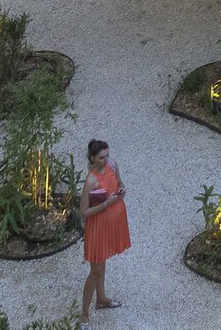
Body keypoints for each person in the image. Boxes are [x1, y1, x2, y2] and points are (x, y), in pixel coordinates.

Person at [79, 138, 131, 326]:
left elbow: (119, 184)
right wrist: (106, 204)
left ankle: (101, 299)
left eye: (107, 155)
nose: (106, 159)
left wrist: (122, 191)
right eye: (102, 157)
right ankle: (84, 314)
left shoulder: (112, 165)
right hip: (98, 227)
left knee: (103, 262)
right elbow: (83, 212)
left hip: (111, 224)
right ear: (92, 158)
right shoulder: (91, 180)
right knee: (95, 271)